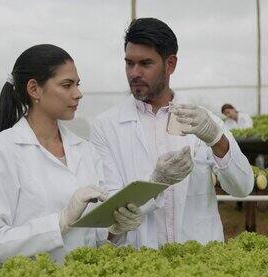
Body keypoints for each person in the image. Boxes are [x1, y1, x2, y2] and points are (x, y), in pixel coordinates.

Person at [0, 44, 142, 266]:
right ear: (34, 89)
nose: (78, 94)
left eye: (77, 85)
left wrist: (115, 231)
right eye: (66, 85)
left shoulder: (86, 151)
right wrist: (61, 221)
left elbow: (93, 241)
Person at [90, 18, 254, 249]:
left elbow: (242, 187)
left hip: (199, 257)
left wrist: (217, 140)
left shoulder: (203, 121)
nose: (134, 73)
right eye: (129, 63)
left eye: (145, 63)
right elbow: (111, 205)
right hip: (138, 261)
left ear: (170, 64)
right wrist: (154, 184)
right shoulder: (106, 126)